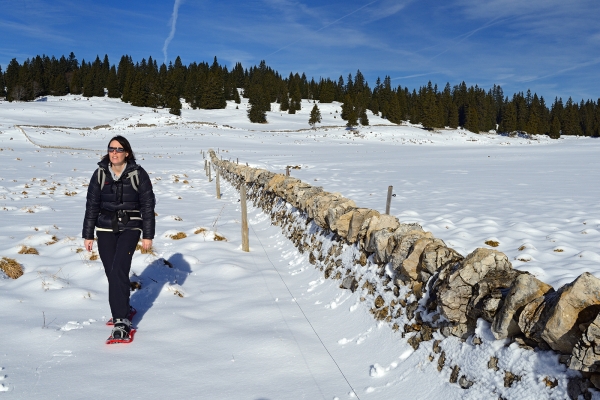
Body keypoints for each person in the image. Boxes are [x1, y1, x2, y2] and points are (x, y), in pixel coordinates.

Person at [82, 135, 155, 341]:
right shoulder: (99, 174)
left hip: (130, 227)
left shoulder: (138, 174)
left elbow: (148, 206)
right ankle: (124, 307)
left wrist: (148, 235)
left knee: (118, 269)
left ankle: (121, 320)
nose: (114, 153)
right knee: (111, 272)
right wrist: (88, 234)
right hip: (105, 228)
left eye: (119, 149)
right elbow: (92, 206)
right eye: (111, 149)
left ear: (127, 153)